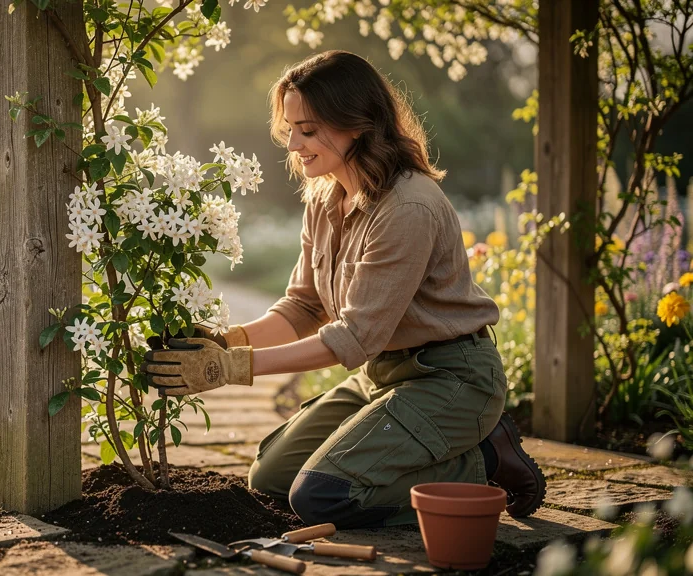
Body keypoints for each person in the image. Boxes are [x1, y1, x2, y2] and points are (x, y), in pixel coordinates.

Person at [140, 50, 545, 529]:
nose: (293, 144)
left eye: (308, 130)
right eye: (289, 128)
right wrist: (225, 341)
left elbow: (354, 337)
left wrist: (230, 369)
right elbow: (304, 306)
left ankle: (486, 461)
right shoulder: (326, 195)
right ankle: (418, 450)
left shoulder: (407, 207)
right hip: (384, 375)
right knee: (271, 477)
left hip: (450, 378)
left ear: (358, 124)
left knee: (323, 497)